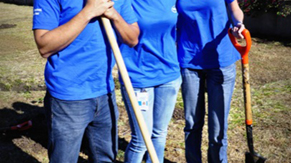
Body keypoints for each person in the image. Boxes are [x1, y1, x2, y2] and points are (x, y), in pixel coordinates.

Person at [32, 0, 139, 162]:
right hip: (68, 97)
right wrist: (89, 11)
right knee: (64, 159)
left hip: (105, 92)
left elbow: (132, 39)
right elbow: (44, 46)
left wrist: (114, 15)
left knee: (105, 158)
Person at [176, 0, 245, 162]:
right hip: (189, 60)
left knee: (218, 125)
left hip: (221, 58)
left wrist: (239, 23)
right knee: (192, 123)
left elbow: (234, 8)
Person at [119, 0, 181, 162]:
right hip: (139, 77)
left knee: (159, 135)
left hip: (169, 75)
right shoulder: (125, 2)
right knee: (141, 141)